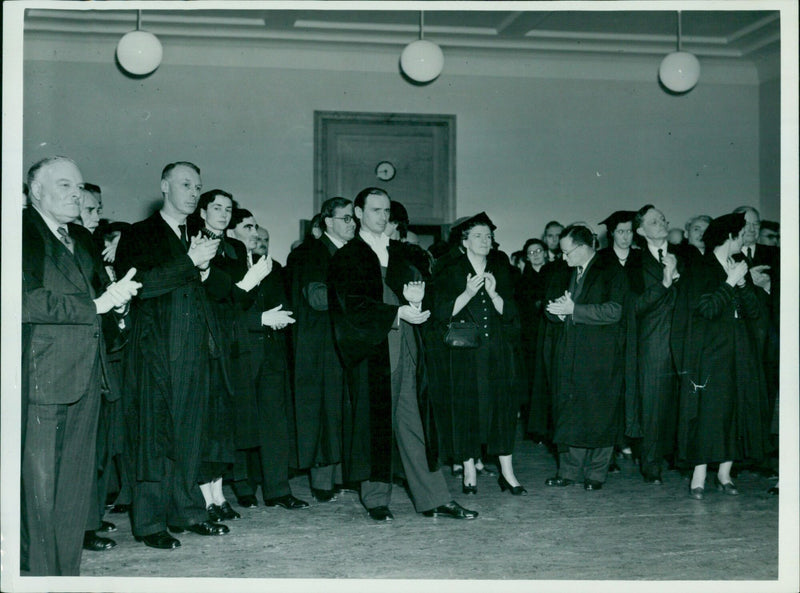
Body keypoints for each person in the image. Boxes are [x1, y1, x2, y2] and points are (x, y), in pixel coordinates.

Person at [328, 187, 478, 522]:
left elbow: (425, 295)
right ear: (358, 212)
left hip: (410, 349)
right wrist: (396, 313)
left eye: (386, 211)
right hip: (376, 352)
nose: (383, 217)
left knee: (416, 426)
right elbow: (350, 307)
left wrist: (417, 302)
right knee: (375, 425)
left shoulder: (403, 252)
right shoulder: (348, 256)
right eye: (376, 210)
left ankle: (435, 497)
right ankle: (376, 498)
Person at [22, 156, 141, 574]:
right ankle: (36, 576)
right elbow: (23, 299)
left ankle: (64, 574)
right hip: (42, 375)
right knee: (38, 491)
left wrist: (118, 309)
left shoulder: (80, 237)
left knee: (74, 490)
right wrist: (96, 305)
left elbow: (101, 297)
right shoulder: (20, 231)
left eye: (78, 187)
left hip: (88, 374)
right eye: (65, 186)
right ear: (36, 191)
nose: (77, 193)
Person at [115, 162, 232, 550]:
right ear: (164, 186)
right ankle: (148, 522)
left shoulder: (199, 234)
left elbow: (213, 293)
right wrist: (190, 262)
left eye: (198, 186)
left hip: (198, 350)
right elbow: (139, 286)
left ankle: (187, 510)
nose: (193, 192)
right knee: (154, 436)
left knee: (192, 434)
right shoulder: (139, 234)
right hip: (157, 350)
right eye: (185, 184)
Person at [671, 212, 771, 499]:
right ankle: (699, 475)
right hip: (711, 354)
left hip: (740, 352)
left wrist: (741, 284)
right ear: (731, 236)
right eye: (742, 234)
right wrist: (729, 283)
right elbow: (706, 309)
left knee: (736, 410)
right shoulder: (701, 267)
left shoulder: (740, 265)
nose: (745, 239)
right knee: (709, 413)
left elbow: (754, 312)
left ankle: (725, 474)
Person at [432, 212, 525, 496]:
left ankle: (507, 473)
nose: (485, 241)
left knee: (503, 409)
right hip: (465, 355)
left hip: (497, 352)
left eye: (488, 236)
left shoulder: (502, 267)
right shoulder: (449, 269)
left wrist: (496, 296)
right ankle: (469, 469)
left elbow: (514, 314)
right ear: (464, 241)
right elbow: (439, 314)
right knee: (467, 411)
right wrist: (467, 295)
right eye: (478, 236)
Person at [225, 209, 308, 510]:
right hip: (241, 354)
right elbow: (226, 313)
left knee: (275, 424)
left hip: (272, 353)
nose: (255, 232)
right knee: (242, 422)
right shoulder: (225, 266)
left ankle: (278, 489)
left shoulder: (271, 266)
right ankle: (243, 487)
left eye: (256, 227)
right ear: (232, 232)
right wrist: (260, 319)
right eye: (248, 227)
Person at [543, 224, 626, 491]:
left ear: (582, 247)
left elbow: (614, 311)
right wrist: (557, 311)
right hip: (571, 355)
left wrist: (575, 309)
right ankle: (569, 472)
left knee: (600, 415)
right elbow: (563, 305)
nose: (563, 258)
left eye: (567, 252)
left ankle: (596, 474)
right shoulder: (570, 272)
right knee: (571, 414)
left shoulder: (611, 270)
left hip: (600, 357)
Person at [290, 197, 356, 501]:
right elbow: (316, 298)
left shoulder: (354, 253)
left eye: (353, 218)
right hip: (320, 345)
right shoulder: (311, 253)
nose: (352, 224)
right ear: (327, 221)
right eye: (345, 219)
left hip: (344, 343)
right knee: (323, 411)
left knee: (343, 409)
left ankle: (341, 475)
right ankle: (322, 481)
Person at [628, 204, 683, 484]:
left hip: (684, 339)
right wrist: (664, 282)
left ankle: (676, 456)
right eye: (653, 220)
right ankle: (650, 463)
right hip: (653, 342)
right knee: (652, 403)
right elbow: (635, 306)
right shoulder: (634, 263)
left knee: (679, 401)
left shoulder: (684, 257)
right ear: (640, 230)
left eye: (663, 218)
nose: (661, 222)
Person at [597, 210, 641, 469]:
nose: (626, 237)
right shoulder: (602, 259)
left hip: (636, 332)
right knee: (609, 388)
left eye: (630, 231)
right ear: (612, 233)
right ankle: (610, 448)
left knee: (632, 388)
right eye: (621, 231)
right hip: (609, 333)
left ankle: (630, 441)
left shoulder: (640, 258)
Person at [516, 238, 550, 442]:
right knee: (530, 382)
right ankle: (533, 430)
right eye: (531, 252)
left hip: (550, 334)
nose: (536, 254)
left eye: (539, 250)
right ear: (526, 257)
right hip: (530, 339)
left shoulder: (556, 273)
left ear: (545, 252)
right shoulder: (521, 280)